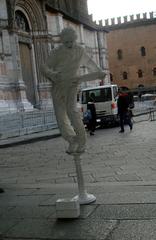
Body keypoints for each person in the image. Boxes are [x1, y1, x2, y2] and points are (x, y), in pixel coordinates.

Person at [42, 28, 105, 154]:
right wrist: (52, 74)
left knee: (72, 112)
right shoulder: (56, 52)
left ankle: (82, 141)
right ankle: (71, 140)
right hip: (58, 86)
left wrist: (96, 73)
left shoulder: (80, 51)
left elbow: (92, 65)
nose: (70, 44)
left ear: (75, 39)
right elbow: (44, 67)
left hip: (72, 85)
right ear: (62, 41)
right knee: (60, 117)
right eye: (67, 42)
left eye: (71, 41)